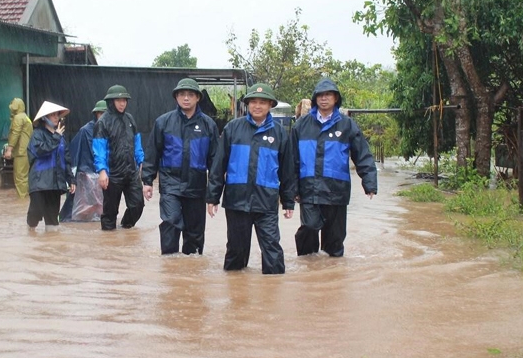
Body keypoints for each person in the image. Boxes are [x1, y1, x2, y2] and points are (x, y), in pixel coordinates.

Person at [206, 83, 296, 274]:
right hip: (237, 202)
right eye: (253, 101)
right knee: (235, 255)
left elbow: (287, 171)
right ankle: (237, 297)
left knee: (273, 254)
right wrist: (213, 197)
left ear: (270, 105)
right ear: (247, 104)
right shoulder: (233, 129)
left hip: (267, 202)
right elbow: (218, 165)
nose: (257, 106)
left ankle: (272, 296)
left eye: (262, 102)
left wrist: (288, 201)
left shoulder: (280, 134)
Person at [291, 78, 377, 257]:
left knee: (334, 243)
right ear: (315, 99)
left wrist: (369, 181)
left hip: (336, 191)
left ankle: (333, 277)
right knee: (309, 227)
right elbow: (291, 160)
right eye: (320, 95)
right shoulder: (301, 125)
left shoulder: (347, 125)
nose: (324, 99)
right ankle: (307, 270)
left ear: (336, 98)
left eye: (328, 95)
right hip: (309, 190)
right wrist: (290, 189)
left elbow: (362, 154)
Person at [142, 78, 219, 255]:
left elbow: (215, 161)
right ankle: (170, 268)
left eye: (190, 95)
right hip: (170, 184)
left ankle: (190, 272)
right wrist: (147, 180)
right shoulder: (163, 122)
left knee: (194, 234)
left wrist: (213, 194)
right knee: (170, 223)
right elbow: (153, 152)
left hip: (197, 186)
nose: (186, 98)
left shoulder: (209, 125)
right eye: (182, 94)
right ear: (176, 97)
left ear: (198, 98)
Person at [93, 84, 145, 231]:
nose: (122, 103)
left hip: (131, 172)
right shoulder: (103, 122)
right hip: (112, 174)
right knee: (110, 212)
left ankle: (125, 227)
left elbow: (137, 142)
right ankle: (109, 243)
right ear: (111, 101)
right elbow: (99, 149)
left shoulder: (130, 119)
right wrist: (102, 171)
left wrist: (141, 161)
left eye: (125, 100)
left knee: (137, 205)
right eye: (119, 100)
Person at [27, 101, 75, 229]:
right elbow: (40, 151)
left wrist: (71, 179)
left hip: (55, 183)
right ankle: (30, 231)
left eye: (57, 115)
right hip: (39, 182)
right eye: (52, 115)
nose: (56, 117)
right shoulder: (37, 135)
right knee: (35, 212)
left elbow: (66, 160)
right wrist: (56, 137)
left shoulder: (61, 138)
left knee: (53, 220)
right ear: (45, 118)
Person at [59, 100, 107, 222]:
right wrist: (75, 175)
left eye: (105, 113)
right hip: (87, 174)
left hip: (103, 172)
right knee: (84, 202)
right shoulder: (85, 130)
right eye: (100, 113)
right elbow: (74, 152)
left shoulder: (111, 129)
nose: (103, 116)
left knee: (101, 204)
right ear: (96, 114)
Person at [8, 97, 33, 198]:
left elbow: (15, 133)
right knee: (25, 176)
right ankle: (25, 198)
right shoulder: (26, 117)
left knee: (19, 177)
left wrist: (9, 149)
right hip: (27, 150)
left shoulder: (18, 118)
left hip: (21, 151)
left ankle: (21, 198)